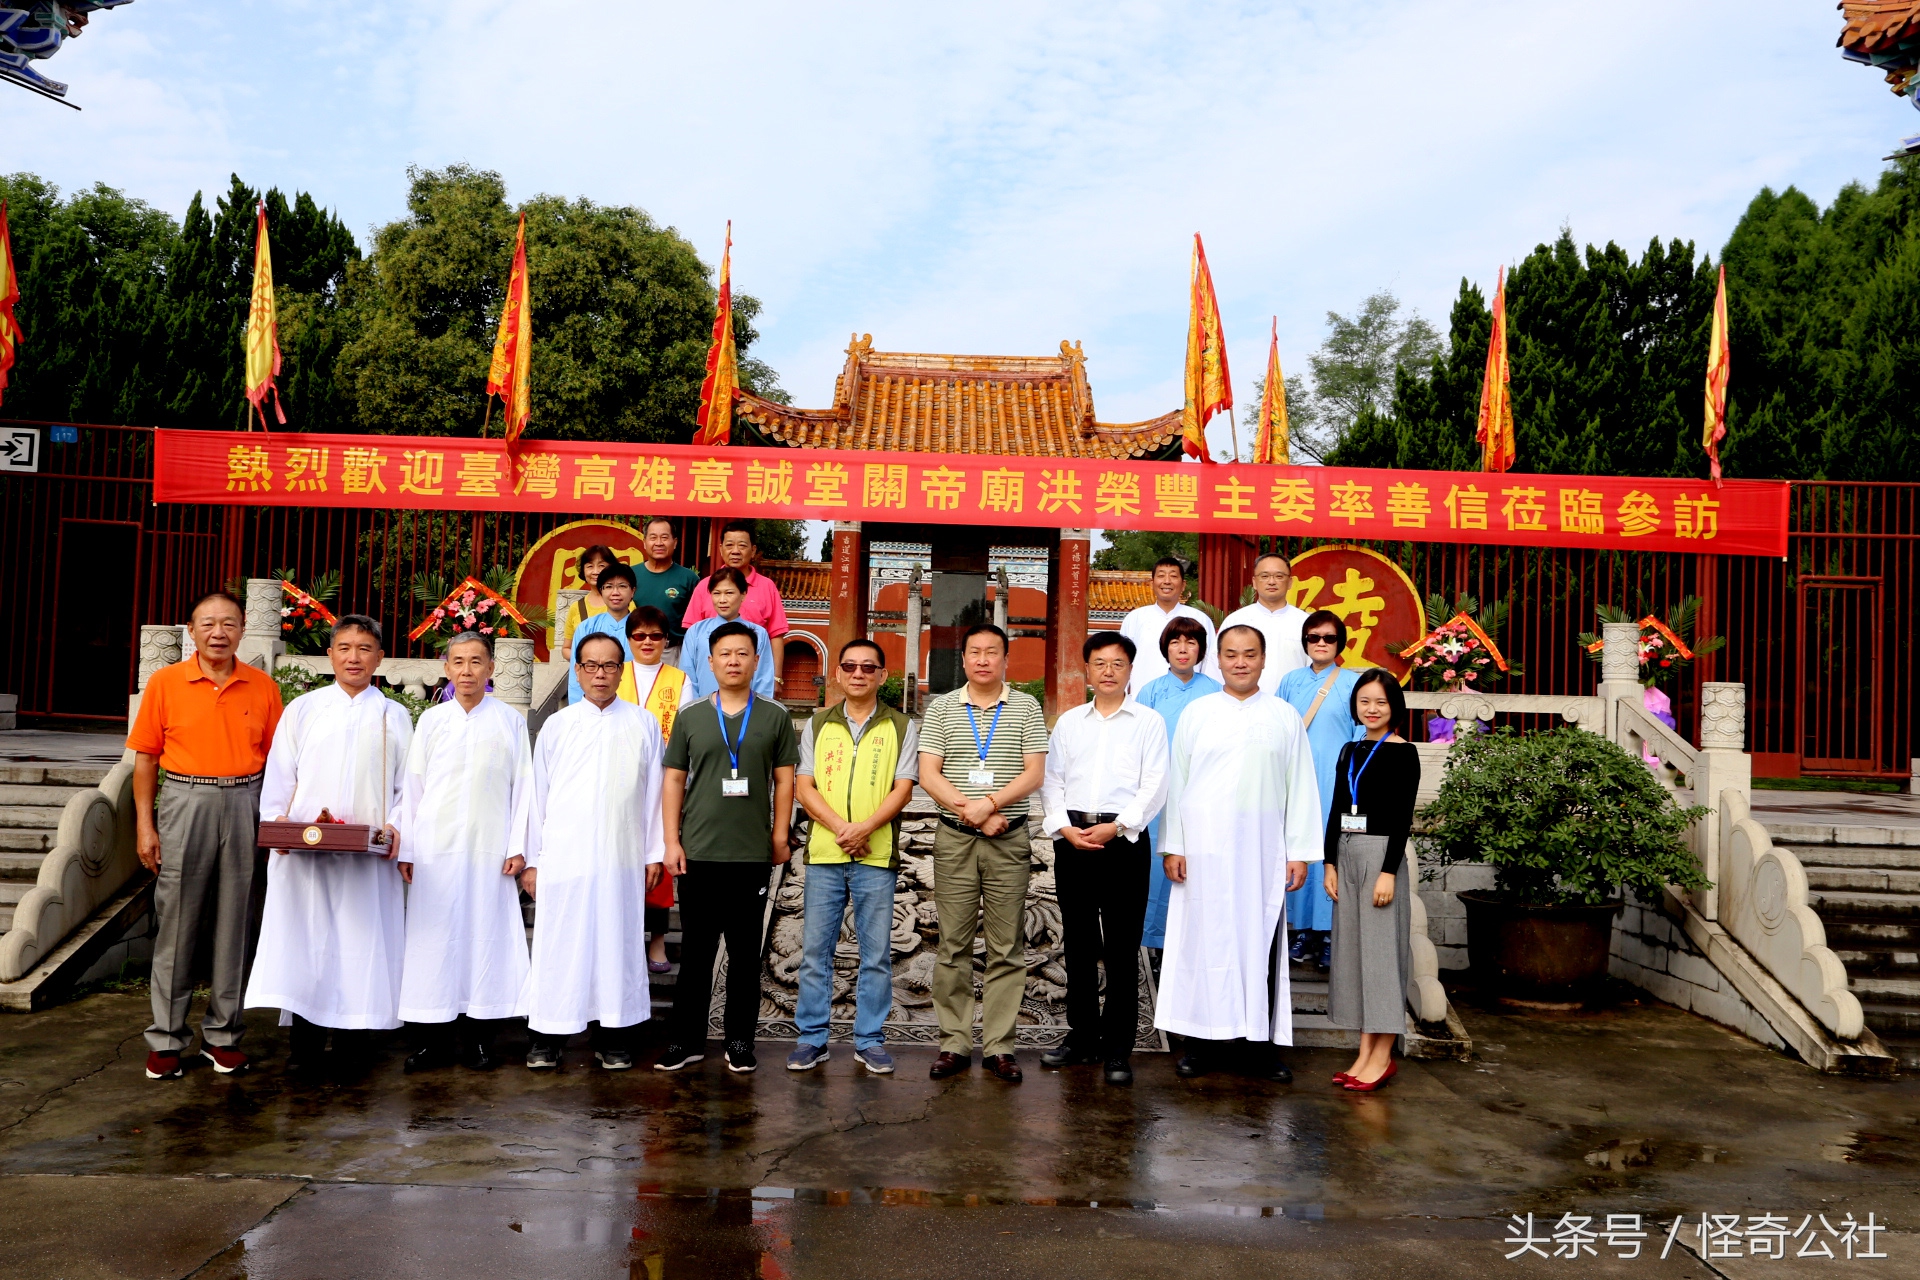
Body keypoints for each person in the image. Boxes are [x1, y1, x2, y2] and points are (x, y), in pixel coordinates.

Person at [1154, 623, 1322, 1083]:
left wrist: (1300, 852)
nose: (1241, 662)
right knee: (1203, 942)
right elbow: (1177, 783)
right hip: (1204, 850)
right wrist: (1175, 845)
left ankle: (1259, 1047)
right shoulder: (1197, 713)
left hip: (1262, 851)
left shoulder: (1284, 716)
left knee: (1260, 942)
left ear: (1264, 660)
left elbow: (1301, 786)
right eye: (1231, 654)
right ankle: (1201, 1043)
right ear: (1219, 660)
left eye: (1250, 654)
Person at [246, 615, 412, 1076]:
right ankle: (304, 1046)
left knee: (361, 942)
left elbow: (407, 787)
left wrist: (397, 827)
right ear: (330, 655)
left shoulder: (393, 715)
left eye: (364, 648)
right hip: (306, 853)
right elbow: (280, 774)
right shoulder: (305, 709)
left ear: (379, 657)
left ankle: (355, 1046)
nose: (353, 657)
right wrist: (276, 824)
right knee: (307, 941)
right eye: (343, 648)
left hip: (368, 858)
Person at [129, 591, 284, 1081]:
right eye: (208, 624)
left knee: (236, 921)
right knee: (177, 919)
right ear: (191, 631)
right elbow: (146, 758)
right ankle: (167, 1039)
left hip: (246, 800)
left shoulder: (262, 686)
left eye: (229, 623)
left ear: (241, 630)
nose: (219, 632)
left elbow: (280, 762)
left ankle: (224, 1036)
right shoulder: (166, 682)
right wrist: (145, 823)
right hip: (184, 800)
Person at [656, 621, 799, 1075]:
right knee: (696, 953)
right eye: (725, 654)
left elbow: (785, 781)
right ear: (711, 661)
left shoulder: (775, 716)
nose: (733, 661)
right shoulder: (693, 715)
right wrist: (671, 840)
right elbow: (674, 778)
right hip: (698, 851)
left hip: (752, 854)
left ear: (756, 661)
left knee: (744, 954)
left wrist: (780, 835)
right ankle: (686, 1041)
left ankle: (740, 1040)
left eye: (742, 653)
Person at [519, 632, 666, 1070]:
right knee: (559, 944)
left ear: (622, 671)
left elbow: (655, 795)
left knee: (616, 943)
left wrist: (652, 852)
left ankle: (614, 1035)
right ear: (577, 671)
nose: (600, 674)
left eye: (609, 666)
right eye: (591, 665)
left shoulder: (643, 723)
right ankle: (547, 1036)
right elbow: (536, 798)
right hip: (564, 857)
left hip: (622, 856)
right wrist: (533, 860)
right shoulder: (558, 726)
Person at [392, 631, 533, 1074]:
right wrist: (409, 848)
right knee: (434, 943)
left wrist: (518, 847)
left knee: (483, 940)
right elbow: (412, 790)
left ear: (491, 669)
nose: (467, 670)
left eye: (476, 662)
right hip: (436, 852)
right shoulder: (432, 722)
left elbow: (524, 788)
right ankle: (432, 1041)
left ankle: (479, 1040)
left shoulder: (509, 720)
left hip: (489, 851)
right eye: (458, 661)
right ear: (446, 668)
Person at [916, 623, 1049, 1083]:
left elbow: (1034, 773)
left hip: (1008, 838)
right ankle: (953, 1043)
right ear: (964, 658)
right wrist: (970, 811)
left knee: (1006, 946)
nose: (983, 660)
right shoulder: (943, 708)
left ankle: (999, 1047)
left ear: (1006, 659)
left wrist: (991, 804)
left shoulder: (1026, 707)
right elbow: (928, 773)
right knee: (952, 944)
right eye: (975, 652)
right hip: (955, 837)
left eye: (993, 652)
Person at [1037, 632, 1168, 1086]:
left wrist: (1119, 825)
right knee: (1077, 943)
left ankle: (1117, 1049)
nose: (1108, 671)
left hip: (1124, 842)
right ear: (1087, 671)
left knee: (1120, 948)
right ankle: (1081, 1037)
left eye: (1117, 663)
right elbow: (1051, 780)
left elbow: (1155, 784)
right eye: (1099, 663)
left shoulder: (1149, 722)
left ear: (1130, 670)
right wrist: (1062, 826)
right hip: (1073, 839)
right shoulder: (1071, 722)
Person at [787, 638, 919, 1075]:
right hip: (825, 852)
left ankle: (870, 1039)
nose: (859, 673)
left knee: (876, 953)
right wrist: (843, 829)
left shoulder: (901, 726)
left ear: (883, 675)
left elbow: (903, 787)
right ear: (838, 673)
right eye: (850, 666)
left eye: (869, 667)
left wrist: (863, 829)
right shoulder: (817, 723)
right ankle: (812, 1038)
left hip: (875, 853)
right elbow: (805, 787)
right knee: (815, 952)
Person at [1324, 669, 1422, 1093]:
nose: (1372, 709)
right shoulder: (1349, 750)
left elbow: (1402, 818)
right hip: (1346, 854)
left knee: (1381, 956)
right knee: (1355, 955)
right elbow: (1336, 807)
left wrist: (1388, 871)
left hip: (1380, 855)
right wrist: (1329, 863)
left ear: (1394, 707)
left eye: (1380, 702)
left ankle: (1382, 1056)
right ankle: (1364, 1051)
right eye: (1365, 701)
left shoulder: (1404, 753)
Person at [1275, 609, 1365, 973]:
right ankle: (1302, 931)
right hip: (1295, 783)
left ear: (1339, 642)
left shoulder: (1353, 683)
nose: (1321, 644)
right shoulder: (1290, 682)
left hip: (1336, 784)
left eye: (1329, 637)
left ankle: (1329, 934)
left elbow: (1362, 733)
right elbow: (1278, 726)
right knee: (1298, 851)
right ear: (1305, 643)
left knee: (1332, 853)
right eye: (1314, 638)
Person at [1133, 616, 1221, 951]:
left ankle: (1194, 939)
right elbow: (1135, 744)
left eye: (1191, 642)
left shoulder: (1215, 691)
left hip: (1202, 794)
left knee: (1197, 865)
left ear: (1201, 650)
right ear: (1165, 649)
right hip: (1159, 796)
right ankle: (1152, 941)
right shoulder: (1150, 691)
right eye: (1175, 642)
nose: (1182, 650)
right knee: (1157, 866)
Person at [622, 606, 695, 974]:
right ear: (629, 639)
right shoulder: (615, 674)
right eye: (640, 636)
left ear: (666, 640)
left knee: (659, 864)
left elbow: (684, 734)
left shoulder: (680, 680)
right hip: (617, 782)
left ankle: (657, 941)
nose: (647, 642)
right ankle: (624, 940)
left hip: (662, 781)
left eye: (655, 636)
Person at [680, 519, 792, 674]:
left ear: (753, 550)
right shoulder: (704, 586)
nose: (735, 551)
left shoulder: (767, 587)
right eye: (729, 545)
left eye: (742, 545)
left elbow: (776, 635)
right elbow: (691, 635)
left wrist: (776, 677)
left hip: (752, 673)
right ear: (720, 549)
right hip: (708, 672)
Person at [1120, 557, 1220, 694]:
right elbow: (1122, 661)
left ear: (1183, 584)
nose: (1167, 581)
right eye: (1161, 576)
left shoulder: (1200, 619)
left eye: (1173, 576)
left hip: (1191, 699)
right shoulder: (1134, 618)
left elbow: (1210, 663)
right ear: (1152, 583)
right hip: (1143, 700)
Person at [1219, 553, 1311, 694]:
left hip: (1294, 704)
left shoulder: (1306, 622)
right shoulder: (1236, 621)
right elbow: (1217, 667)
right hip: (1244, 704)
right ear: (1254, 582)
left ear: (1290, 582)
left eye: (1279, 576)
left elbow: (1314, 668)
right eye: (1265, 576)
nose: (1272, 582)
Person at [679, 567, 776, 700]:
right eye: (716, 593)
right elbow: (687, 677)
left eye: (729, 593)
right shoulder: (696, 631)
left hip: (747, 712)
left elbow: (763, 680)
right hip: (703, 711)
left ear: (743, 594)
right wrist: (693, 710)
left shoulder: (758, 633)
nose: (722, 600)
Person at [566, 561, 636, 705]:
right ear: (601, 591)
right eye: (609, 587)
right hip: (593, 704)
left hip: (632, 703)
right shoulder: (586, 627)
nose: (615, 592)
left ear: (633, 591)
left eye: (622, 586)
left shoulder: (641, 629)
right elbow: (576, 674)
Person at [633, 517, 701, 659]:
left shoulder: (689, 579)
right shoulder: (630, 575)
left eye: (664, 537)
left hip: (673, 650)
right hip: (636, 648)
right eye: (653, 538)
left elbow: (697, 622)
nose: (659, 543)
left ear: (675, 542)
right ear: (644, 542)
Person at [560, 544, 619, 653]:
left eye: (601, 565)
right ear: (583, 571)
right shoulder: (576, 607)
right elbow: (566, 648)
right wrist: (581, 659)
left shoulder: (623, 603)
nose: (596, 571)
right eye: (590, 566)